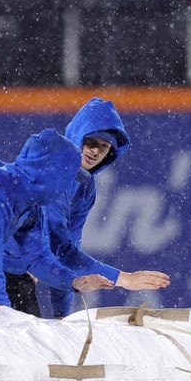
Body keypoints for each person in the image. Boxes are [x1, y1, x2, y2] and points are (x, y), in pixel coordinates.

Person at [0, 128, 115, 308]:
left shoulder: (30, 204)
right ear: (48, 172)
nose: (69, 186)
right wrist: (3, 313)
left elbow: (38, 259)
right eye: (68, 177)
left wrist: (73, 281)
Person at [45, 97, 170, 317]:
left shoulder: (84, 186)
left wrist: (60, 316)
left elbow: (64, 253)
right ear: (77, 136)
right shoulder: (52, 173)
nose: (96, 151)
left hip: (11, 269)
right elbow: (59, 249)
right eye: (92, 142)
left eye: (104, 147)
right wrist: (124, 279)